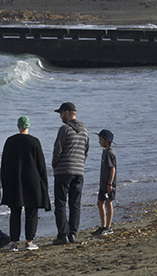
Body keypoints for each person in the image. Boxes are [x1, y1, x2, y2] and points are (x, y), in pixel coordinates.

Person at [1, 116, 51, 251]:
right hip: (32, 181)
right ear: (28, 126)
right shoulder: (34, 142)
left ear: (18, 127)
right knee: (31, 212)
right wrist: (44, 184)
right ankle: (29, 242)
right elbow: (41, 166)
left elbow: (4, 164)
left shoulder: (10, 141)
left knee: (15, 212)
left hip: (14, 181)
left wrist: (4, 183)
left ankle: (14, 244)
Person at [52, 102, 89, 245]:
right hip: (79, 171)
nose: (60, 116)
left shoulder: (64, 129)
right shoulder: (85, 131)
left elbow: (57, 150)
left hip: (63, 170)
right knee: (75, 203)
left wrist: (55, 164)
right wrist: (80, 165)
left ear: (67, 112)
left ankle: (63, 234)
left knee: (61, 203)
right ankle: (73, 233)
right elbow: (86, 152)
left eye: (61, 113)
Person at [92, 129, 116, 236]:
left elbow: (113, 169)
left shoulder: (110, 153)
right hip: (103, 183)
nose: (99, 142)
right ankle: (103, 226)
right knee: (100, 202)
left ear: (107, 141)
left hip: (109, 184)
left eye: (101, 139)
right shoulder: (104, 152)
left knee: (108, 202)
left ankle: (108, 227)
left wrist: (110, 184)